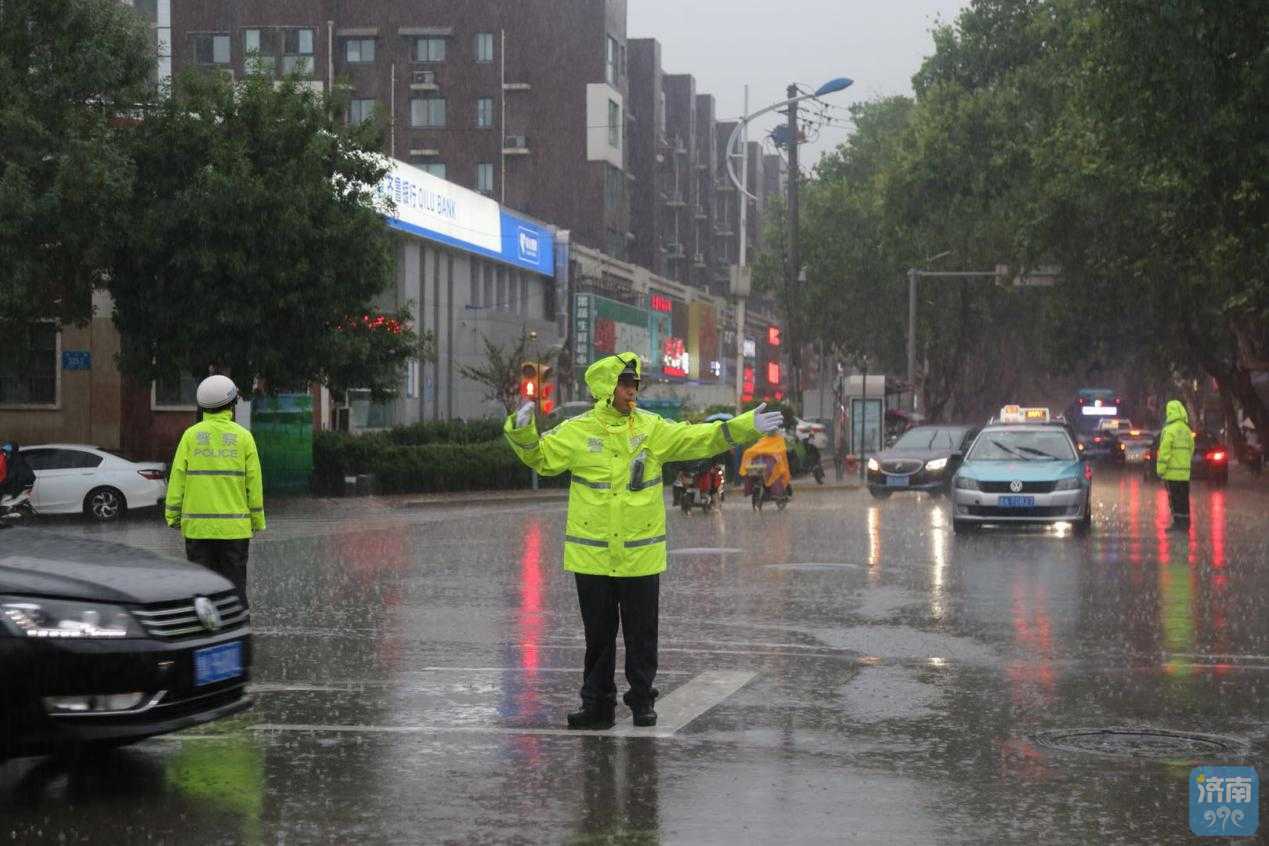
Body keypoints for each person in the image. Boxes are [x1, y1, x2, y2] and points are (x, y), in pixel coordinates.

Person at [504, 353, 782, 729]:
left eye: (635, 384)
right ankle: (597, 708)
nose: (632, 391)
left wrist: (746, 426)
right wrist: (522, 432)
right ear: (606, 389)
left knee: (642, 638)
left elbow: (698, 438)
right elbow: (540, 458)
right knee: (598, 640)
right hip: (593, 559)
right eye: (625, 384)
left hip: (640, 557)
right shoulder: (577, 431)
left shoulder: (651, 429)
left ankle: (642, 703)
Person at [165, 375, 265, 603]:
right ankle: (236, 632)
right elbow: (254, 484)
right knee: (234, 591)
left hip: (198, 531)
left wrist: (173, 515)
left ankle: (204, 632)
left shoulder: (190, 437)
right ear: (231, 404)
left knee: (201, 592)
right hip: (235, 533)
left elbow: (177, 478)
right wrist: (257, 520)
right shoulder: (243, 438)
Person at [1156, 399, 1194, 531]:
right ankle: (1186, 523)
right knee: (1184, 499)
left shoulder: (1169, 430)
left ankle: (1178, 523)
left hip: (1172, 474)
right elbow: (1191, 448)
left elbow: (1164, 451)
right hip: (1185, 474)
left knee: (1174, 500)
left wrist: (1160, 470)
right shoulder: (1186, 429)